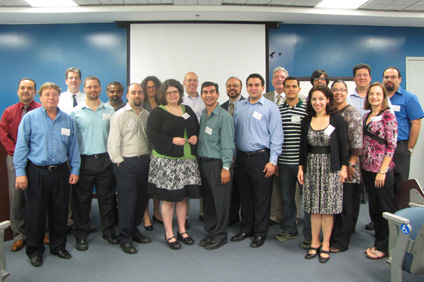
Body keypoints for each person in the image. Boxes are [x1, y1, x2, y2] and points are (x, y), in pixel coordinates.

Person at [14, 82, 80, 267]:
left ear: (59, 97)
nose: (51, 97)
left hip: (61, 171)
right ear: (40, 97)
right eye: (47, 94)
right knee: (35, 213)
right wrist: (20, 172)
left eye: (54, 94)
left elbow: (74, 147)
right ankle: (34, 250)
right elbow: (21, 147)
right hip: (36, 172)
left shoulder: (67, 119)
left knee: (60, 212)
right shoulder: (30, 118)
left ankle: (58, 246)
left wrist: (74, 169)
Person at [147, 79, 201, 250]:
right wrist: (171, 140)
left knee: (182, 198)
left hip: (187, 161)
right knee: (169, 200)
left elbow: (196, 128)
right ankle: (169, 233)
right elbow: (151, 134)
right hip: (166, 161)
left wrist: (195, 137)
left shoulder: (188, 110)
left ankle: (182, 230)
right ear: (163, 94)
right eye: (169, 92)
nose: (172, 95)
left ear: (180, 93)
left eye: (175, 92)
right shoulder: (158, 112)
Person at [231, 73, 283, 248]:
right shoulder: (240, 107)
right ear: (246, 88)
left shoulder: (270, 108)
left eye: (257, 85)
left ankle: (260, 233)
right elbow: (235, 133)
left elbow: (277, 136)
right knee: (245, 196)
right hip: (242, 158)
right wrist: (234, 155)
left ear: (262, 87)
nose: (253, 88)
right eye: (250, 85)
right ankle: (246, 229)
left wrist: (273, 161)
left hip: (262, 158)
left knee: (261, 198)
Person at [298, 85, 348, 263]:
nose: (317, 102)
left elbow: (343, 146)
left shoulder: (337, 119)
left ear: (328, 99)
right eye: (314, 99)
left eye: (321, 98)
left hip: (331, 168)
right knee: (313, 208)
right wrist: (301, 167)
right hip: (311, 166)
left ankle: (326, 244)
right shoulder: (306, 120)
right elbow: (303, 147)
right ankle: (315, 241)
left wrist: (344, 167)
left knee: (327, 208)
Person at [70, 76, 118, 252]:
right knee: (81, 202)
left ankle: (109, 232)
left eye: (96, 87)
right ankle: (81, 235)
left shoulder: (110, 110)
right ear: (85, 89)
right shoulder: (75, 112)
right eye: (89, 87)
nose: (93, 90)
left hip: (106, 160)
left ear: (100, 88)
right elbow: (72, 141)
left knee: (108, 199)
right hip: (84, 161)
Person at [108, 83, 152, 254]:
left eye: (140, 93)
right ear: (127, 95)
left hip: (143, 162)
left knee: (142, 199)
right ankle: (125, 237)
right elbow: (113, 140)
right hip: (126, 163)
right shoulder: (119, 115)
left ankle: (134, 229)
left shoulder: (147, 115)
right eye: (133, 93)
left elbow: (149, 138)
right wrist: (118, 160)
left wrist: (149, 157)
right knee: (127, 201)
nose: (137, 96)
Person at [0, 78, 41, 252]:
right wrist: (19, 154)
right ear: (18, 91)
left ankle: (43, 231)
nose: (26, 91)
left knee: (40, 196)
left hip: (37, 159)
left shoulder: (42, 110)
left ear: (35, 92)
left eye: (29, 88)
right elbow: (4, 136)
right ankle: (19, 235)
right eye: (23, 88)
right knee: (16, 197)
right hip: (15, 159)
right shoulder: (9, 112)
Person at [362, 81, 398, 259]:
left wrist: (382, 171)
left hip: (381, 170)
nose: (374, 97)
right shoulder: (367, 116)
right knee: (374, 208)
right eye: (371, 94)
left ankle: (385, 247)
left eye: (378, 94)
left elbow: (391, 146)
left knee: (385, 208)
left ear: (383, 97)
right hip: (367, 169)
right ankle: (378, 241)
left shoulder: (388, 116)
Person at [198, 81, 235, 250]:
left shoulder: (224, 116)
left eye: (212, 91)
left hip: (219, 164)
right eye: (205, 92)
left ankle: (220, 235)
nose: (208, 95)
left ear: (218, 94)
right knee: (209, 201)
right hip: (204, 164)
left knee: (220, 201)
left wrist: (226, 167)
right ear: (201, 95)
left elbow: (228, 144)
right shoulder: (204, 115)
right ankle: (211, 231)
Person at [330, 80, 363, 253]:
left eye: (342, 90)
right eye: (335, 90)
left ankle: (341, 242)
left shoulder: (351, 113)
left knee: (345, 205)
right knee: (336, 203)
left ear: (346, 92)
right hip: (336, 165)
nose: (338, 93)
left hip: (349, 167)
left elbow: (357, 142)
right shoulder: (331, 111)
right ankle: (335, 235)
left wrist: (350, 164)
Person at [275, 77, 307, 243]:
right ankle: (290, 229)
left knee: (307, 199)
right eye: (288, 87)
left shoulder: (307, 109)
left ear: (299, 89)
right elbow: (276, 137)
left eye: (294, 86)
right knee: (287, 199)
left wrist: (304, 163)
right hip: (285, 163)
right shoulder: (278, 110)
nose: (291, 89)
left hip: (303, 164)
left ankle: (309, 234)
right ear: (284, 89)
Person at [382, 67, 424, 194]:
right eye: (386, 77)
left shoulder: (409, 98)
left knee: (400, 184)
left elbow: (416, 123)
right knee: (383, 184)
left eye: (393, 77)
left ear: (399, 79)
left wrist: (409, 147)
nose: (389, 80)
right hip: (381, 148)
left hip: (399, 147)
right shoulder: (378, 98)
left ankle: (399, 213)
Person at [347, 63, 373, 231]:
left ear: (369, 77)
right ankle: (351, 225)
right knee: (354, 189)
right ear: (354, 78)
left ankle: (376, 221)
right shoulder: (348, 98)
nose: (362, 78)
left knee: (373, 189)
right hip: (354, 151)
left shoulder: (376, 95)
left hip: (373, 151)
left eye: (365, 75)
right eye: (359, 75)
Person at [263, 67, 288, 226]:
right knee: (271, 185)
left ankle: (293, 216)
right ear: (272, 81)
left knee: (289, 185)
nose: (280, 79)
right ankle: (274, 215)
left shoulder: (298, 97)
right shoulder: (264, 97)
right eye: (276, 77)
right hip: (268, 147)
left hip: (289, 148)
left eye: (283, 77)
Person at [182, 71, 205, 227]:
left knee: (205, 179)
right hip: (185, 145)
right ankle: (185, 216)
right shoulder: (179, 100)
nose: (192, 83)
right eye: (189, 80)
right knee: (186, 181)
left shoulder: (205, 98)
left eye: (195, 80)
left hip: (204, 144)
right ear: (184, 83)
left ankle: (205, 213)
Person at [221, 76, 245, 226]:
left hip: (243, 153)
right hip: (227, 155)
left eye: (235, 85)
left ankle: (247, 220)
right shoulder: (222, 107)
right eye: (229, 85)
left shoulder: (248, 105)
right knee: (230, 189)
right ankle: (232, 217)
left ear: (241, 87)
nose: (232, 88)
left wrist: (237, 154)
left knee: (244, 189)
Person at [140, 75, 163, 230]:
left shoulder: (163, 103)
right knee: (145, 184)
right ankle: (146, 214)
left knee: (157, 183)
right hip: (145, 146)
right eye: (148, 87)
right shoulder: (141, 104)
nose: (151, 89)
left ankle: (156, 212)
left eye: (154, 86)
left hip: (160, 147)